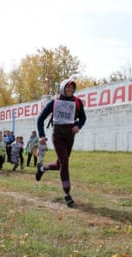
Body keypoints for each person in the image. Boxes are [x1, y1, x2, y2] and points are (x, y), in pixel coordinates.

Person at [35, 79, 86, 207]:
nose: (70, 90)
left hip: (70, 137)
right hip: (58, 137)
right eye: (68, 87)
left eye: (72, 88)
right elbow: (40, 118)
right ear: (63, 88)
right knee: (65, 163)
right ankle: (67, 194)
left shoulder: (77, 102)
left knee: (60, 164)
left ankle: (42, 168)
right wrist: (41, 135)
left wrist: (78, 126)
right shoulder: (54, 102)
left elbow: (83, 117)